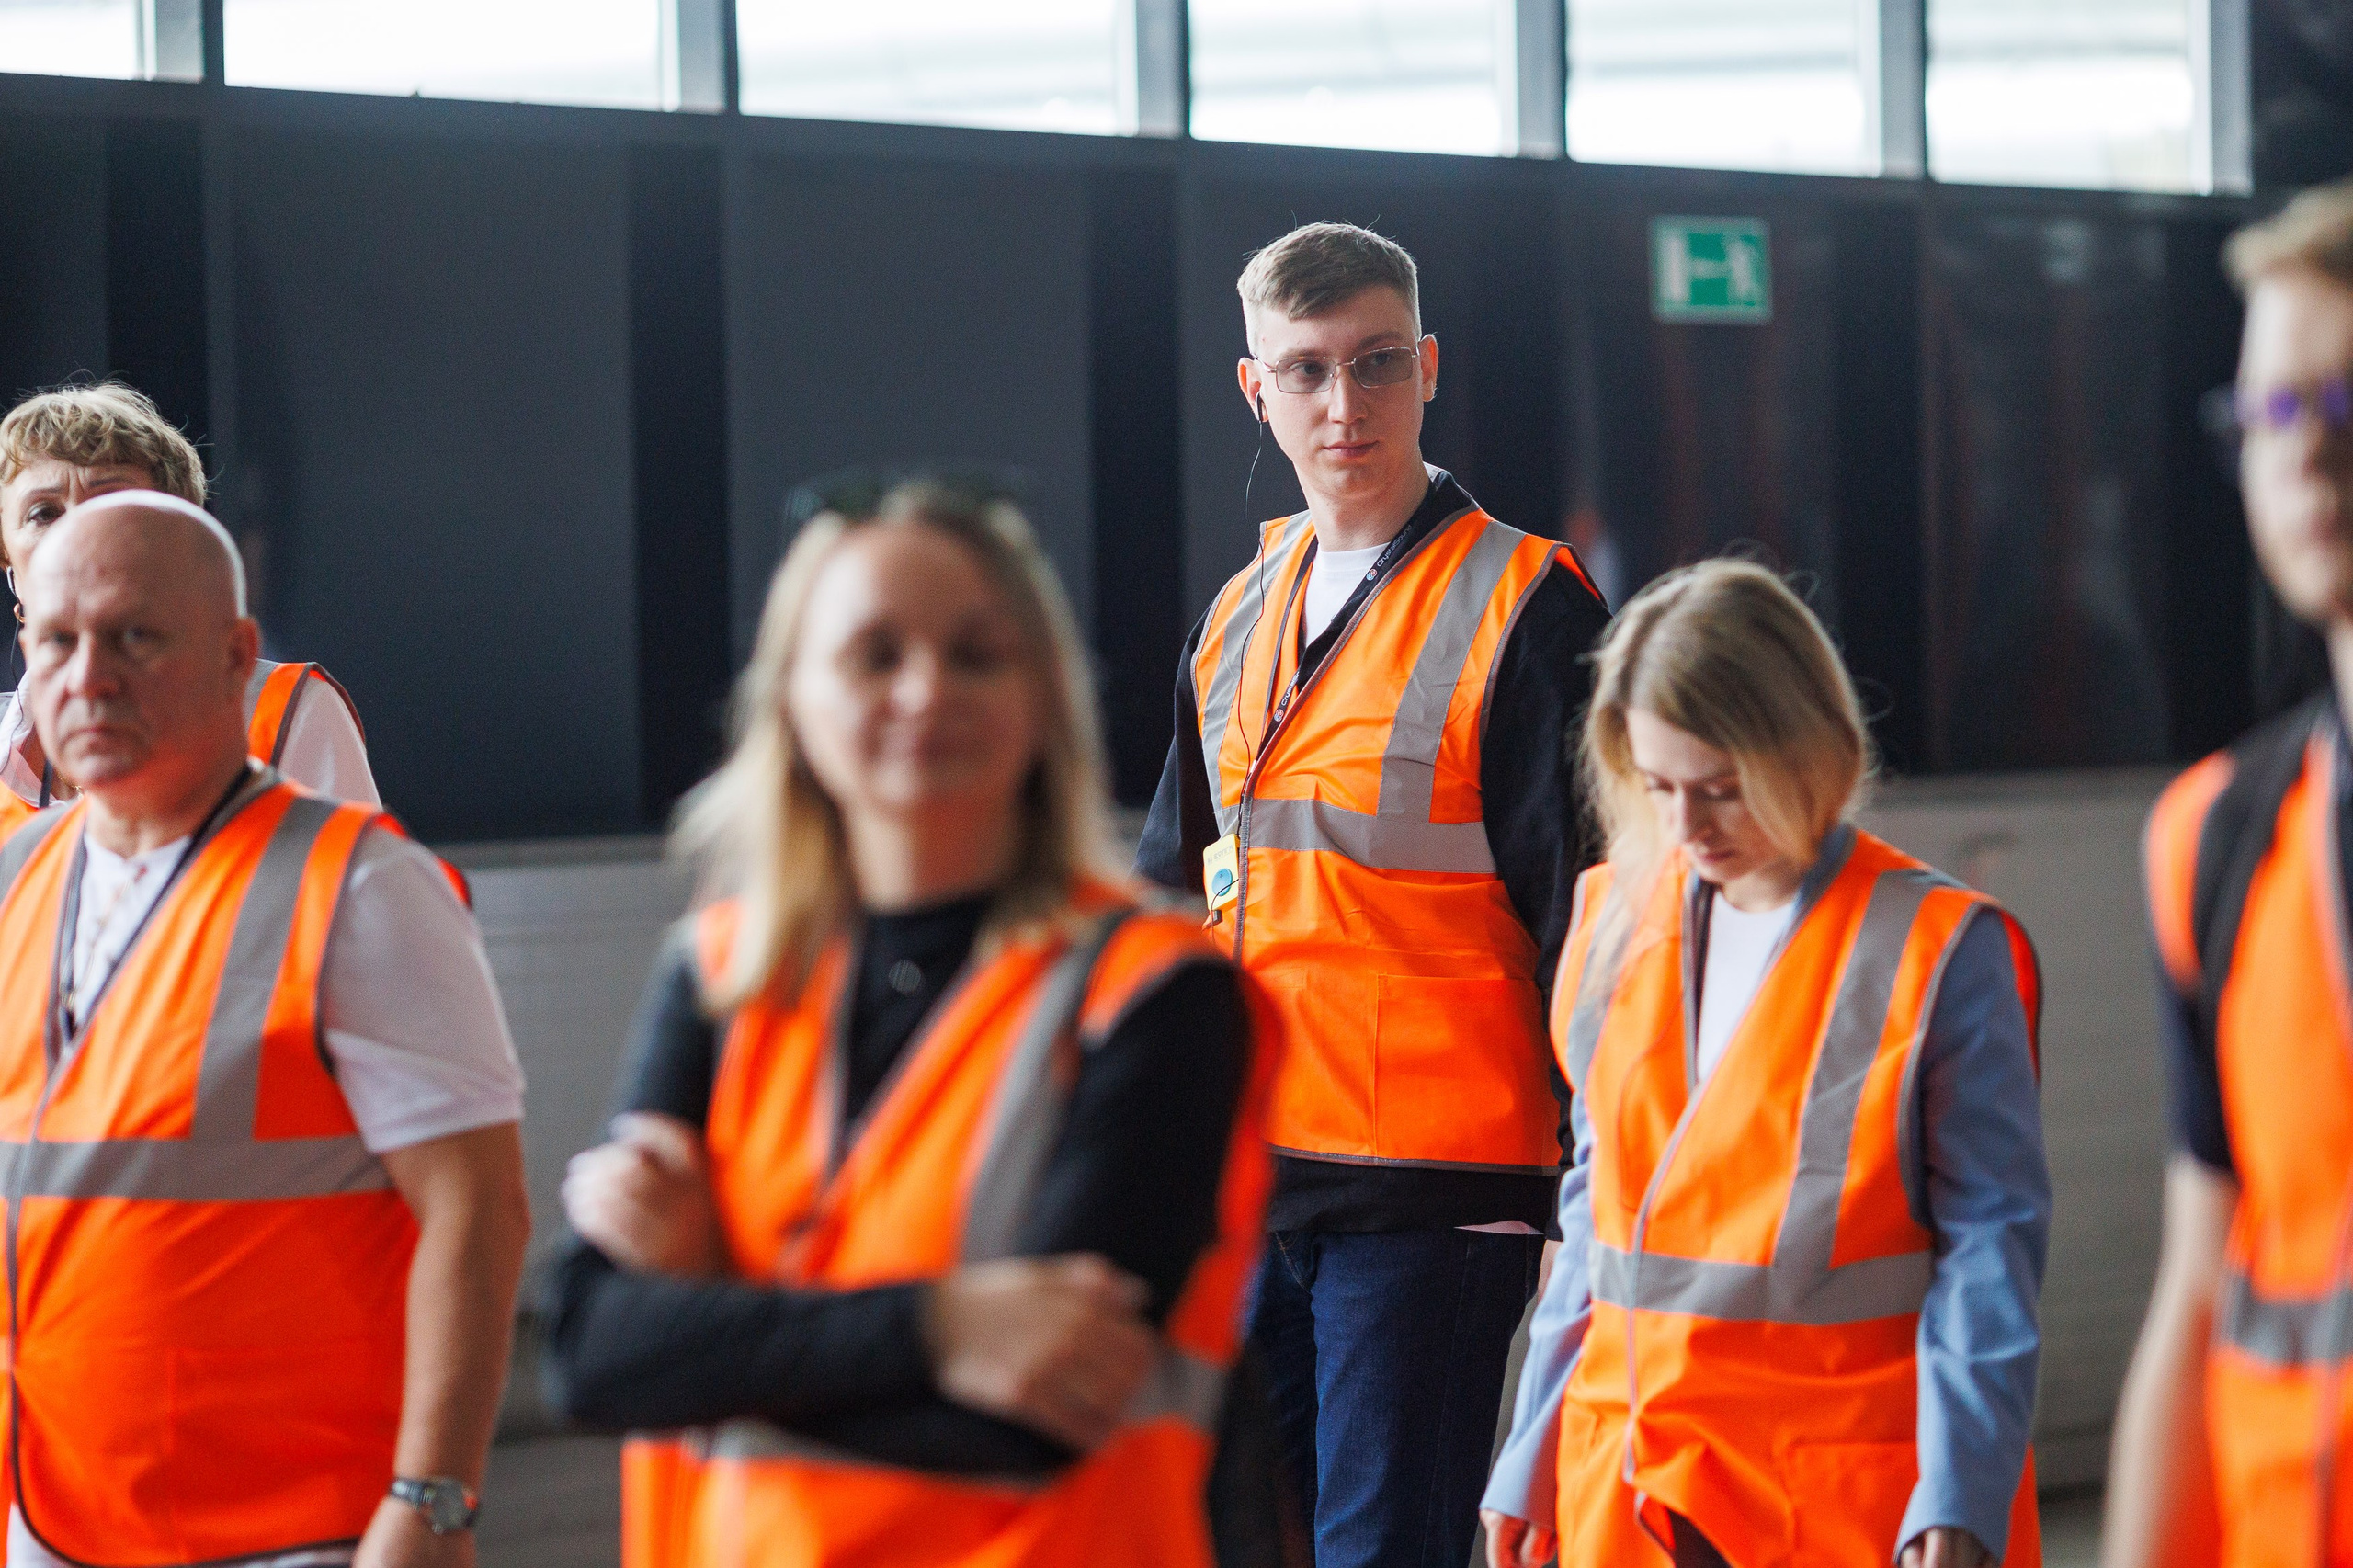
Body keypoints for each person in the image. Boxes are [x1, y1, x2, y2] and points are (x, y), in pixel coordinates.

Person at [542, 478, 1278, 1566]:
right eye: (875, 654)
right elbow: (588, 1352)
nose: (928, 689)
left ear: (1044, 696)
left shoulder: (1153, 992)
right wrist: (942, 1325)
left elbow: (1032, 1413)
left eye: (978, 652)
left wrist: (708, 1313)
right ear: (793, 696)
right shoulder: (718, 969)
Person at [1133, 219, 1611, 1568]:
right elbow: (1173, 898)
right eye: (1309, 370)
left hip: (1436, 1184)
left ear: (1430, 368)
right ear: (1256, 388)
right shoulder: (1238, 614)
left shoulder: (1530, 603)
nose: (1347, 404)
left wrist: (1603, 1174)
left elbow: (1593, 917)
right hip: (1257, 1179)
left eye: (1378, 362)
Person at [1478, 559, 2051, 1568]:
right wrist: (1529, 1448)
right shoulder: (1612, 917)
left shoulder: (1937, 949)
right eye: (1657, 790)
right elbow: (1594, 1214)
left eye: (1721, 790)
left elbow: (1988, 1250)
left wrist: (1959, 1490)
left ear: (1806, 750)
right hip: (1627, 1480)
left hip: (1831, 1499)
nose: (1687, 827)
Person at [0, 491, 529, 1565]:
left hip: (290, 1524)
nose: (88, 676)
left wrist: (433, 1498)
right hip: (58, 1505)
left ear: (239, 655)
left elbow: (478, 1212)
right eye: (57, 640)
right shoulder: (17, 875)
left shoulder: (363, 888)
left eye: (135, 635)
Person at [2106, 178, 2353, 1568]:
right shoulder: (2215, 838)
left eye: (2348, 403)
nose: (2309, 459)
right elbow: (2203, 1291)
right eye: (2275, 413)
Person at [0, 381, 377, 835]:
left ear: (181, 537)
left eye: (111, 503)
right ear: (8, 560)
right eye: (43, 513)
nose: (78, 532)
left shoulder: (288, 713)